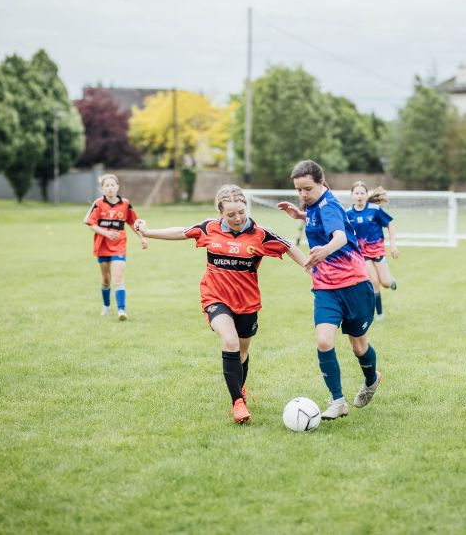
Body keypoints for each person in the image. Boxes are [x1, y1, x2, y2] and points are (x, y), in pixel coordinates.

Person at [134, 184, 308, 424]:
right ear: (220, 213)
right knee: (230, 341)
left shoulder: (260, 234)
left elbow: (289, 246)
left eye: (241, 212)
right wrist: (149, 231)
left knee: (243, 351)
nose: (237, 218)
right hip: (215, 297)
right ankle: (237, 403)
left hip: (247, 303)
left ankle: (240, 390)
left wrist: (311, 269)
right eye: (231, 214)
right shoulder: (209, 228)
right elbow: (181, 232)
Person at [278, 160, 383, 421]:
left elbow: (340, 236)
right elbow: (319, 217)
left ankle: (372, 378)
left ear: (321, 183)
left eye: (307, 189)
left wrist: (325, 250)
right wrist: (300, 215)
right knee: (324, 341)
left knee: (359, 347)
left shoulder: (330, 206)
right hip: (325, 287)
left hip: (354, 285)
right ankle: (338, 401)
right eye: (298, 190)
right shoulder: (315, 205)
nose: (303, 195)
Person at [83, 173, 148, 320]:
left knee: (118, 278)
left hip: (119, 246)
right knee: (106, 279)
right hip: (101, 246)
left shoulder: (125, 204)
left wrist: (142, 238)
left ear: (118, 187)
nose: (110, 188)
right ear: (103, 189)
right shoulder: (98, 203)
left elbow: (133, 223)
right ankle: (106, 306)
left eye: (113, 185)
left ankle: (121, 310)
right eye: (107, 185)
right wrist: (106, 233)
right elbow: (90, 223)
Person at [346, 181, 399, 321]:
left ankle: (392, 282)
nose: (359, 196)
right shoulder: (347, 214)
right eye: (356, 193)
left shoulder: (375, 210)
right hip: (362, 255)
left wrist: (393, 244)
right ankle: (379, 314)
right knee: (374, 282)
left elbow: (390, 224)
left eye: (362, 193)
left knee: (386, 283)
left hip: (378, 252)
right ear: (351, 195)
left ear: (366, 195)